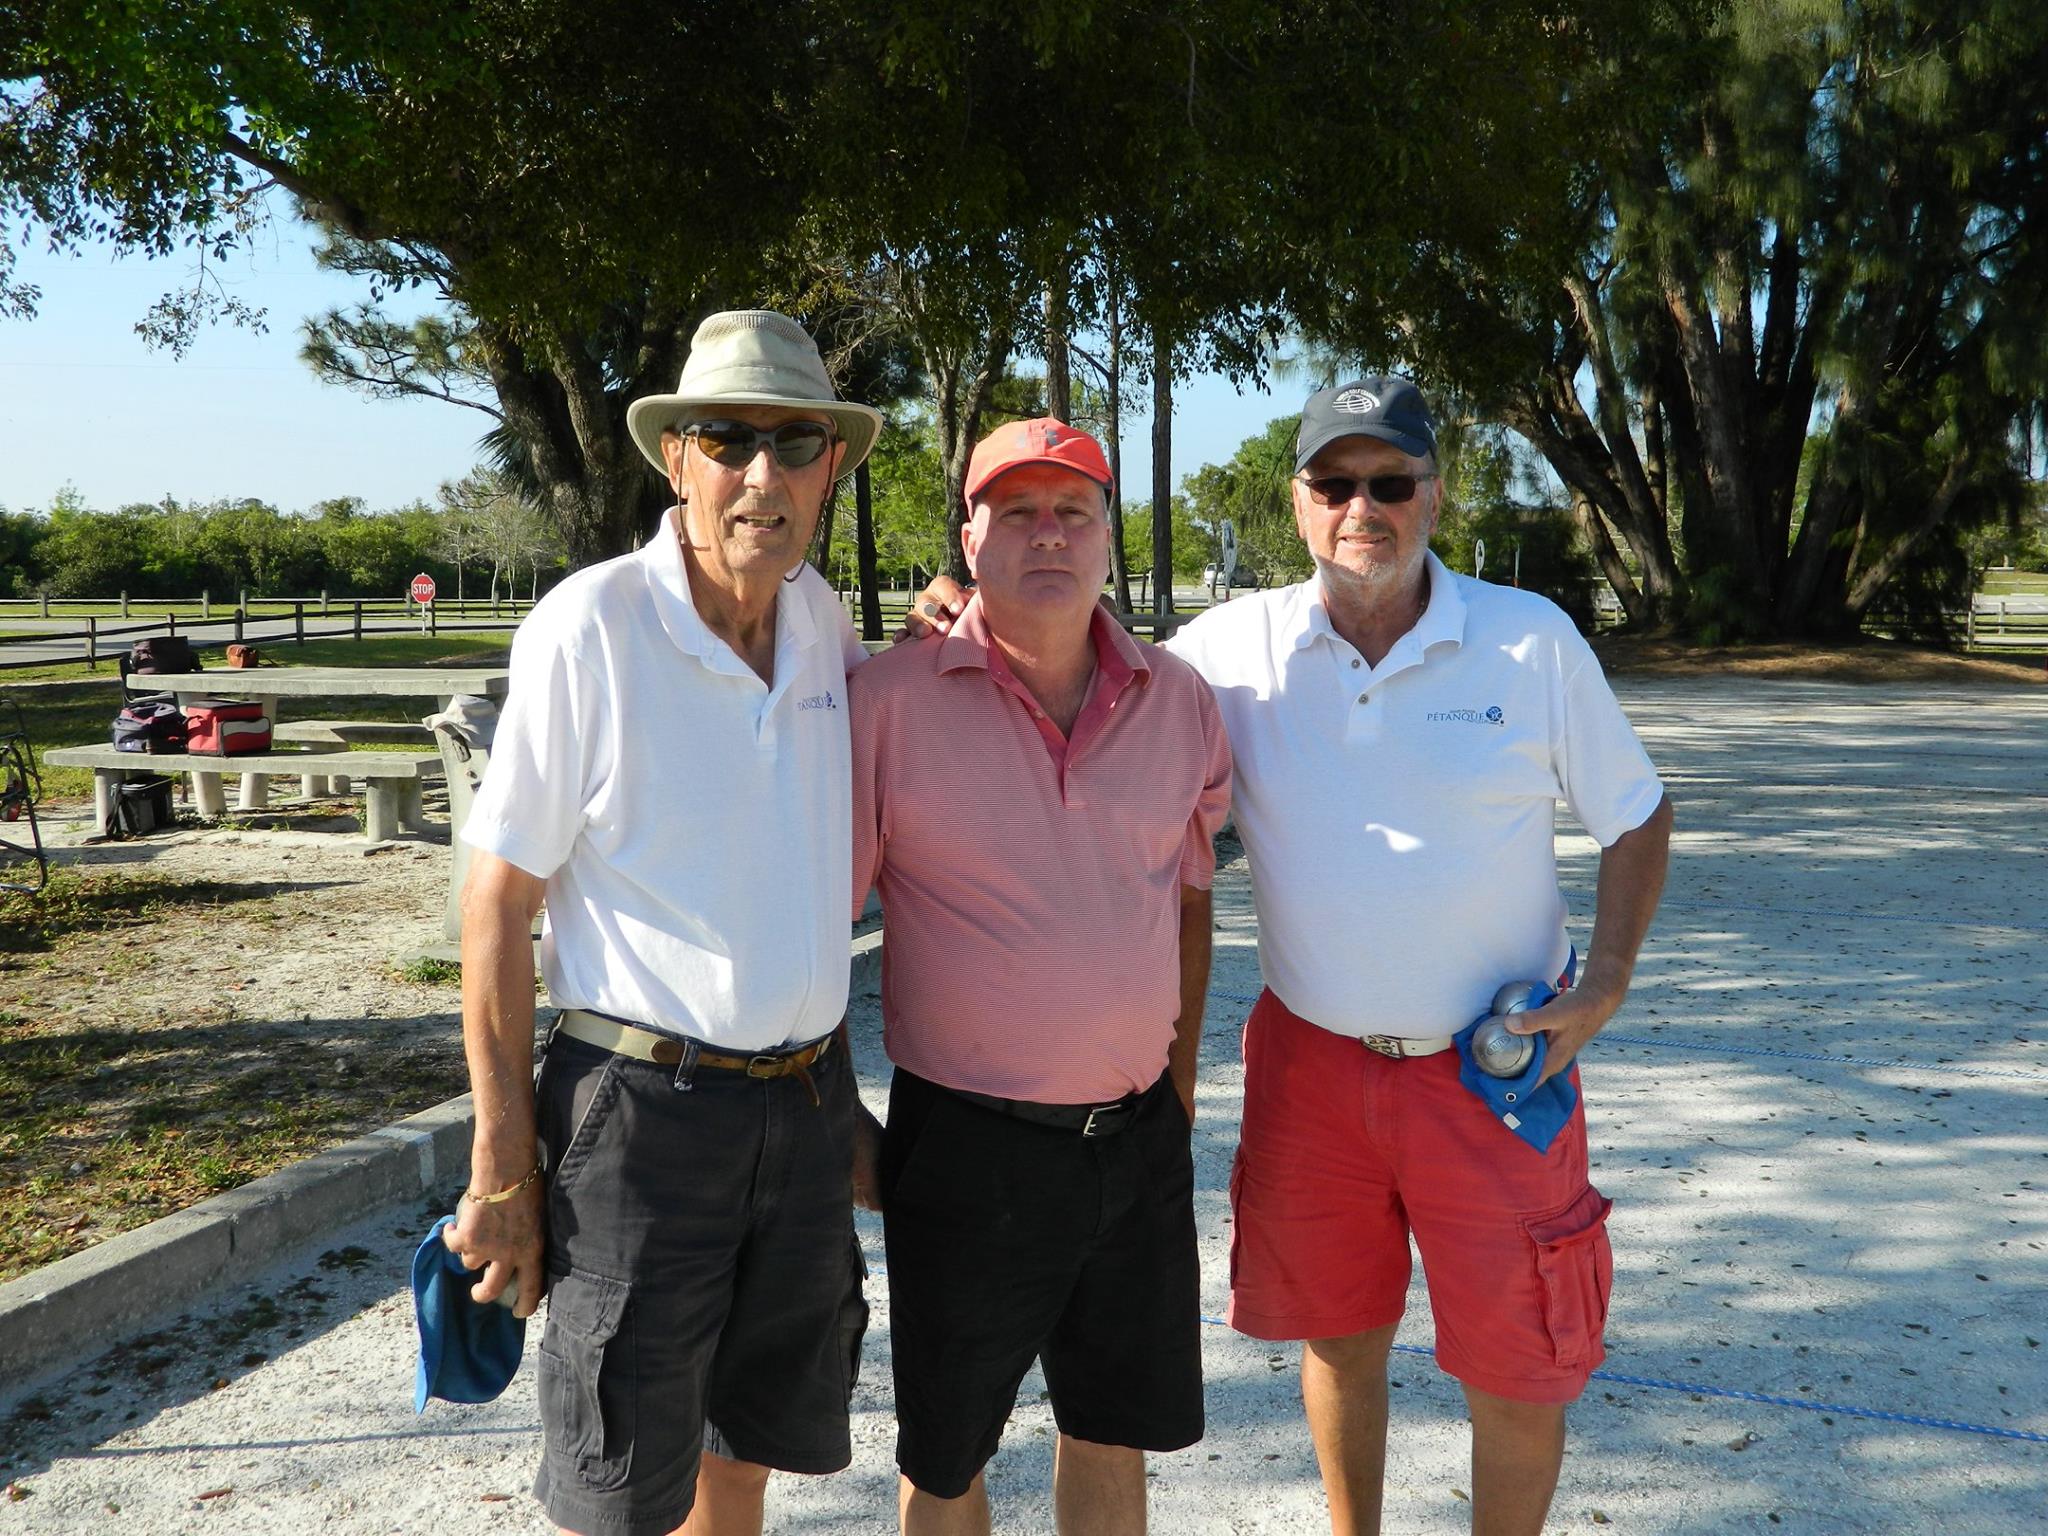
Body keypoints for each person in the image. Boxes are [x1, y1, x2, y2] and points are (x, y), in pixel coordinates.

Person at [906, 376, 1672, 1536]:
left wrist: (1605, 980)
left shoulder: (1530, 641)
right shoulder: (1230, 649)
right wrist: (969, 614)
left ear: (1433, 495)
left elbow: (1635, 813)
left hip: (1494, 1071)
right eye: (1333, 483)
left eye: (1389, 483)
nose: (1362, 508)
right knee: (1339, 1336)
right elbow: (1087, 668)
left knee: (1519, 1365)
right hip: (1310, 1065)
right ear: (1298, 501)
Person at [441, 309, 884, 1536]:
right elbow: (496, 904)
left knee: (744, 1453)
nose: (762, 474)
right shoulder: (591, 625)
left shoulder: (822, 625)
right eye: (727, 439)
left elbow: (802, 872)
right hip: (642, 1117)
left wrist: (840, 1105)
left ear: (829, 469)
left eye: (795, 443)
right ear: (676, 458)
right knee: (623, 1485)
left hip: (802, 1106)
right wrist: (502, 1162)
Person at [851, 418, 1232, 1536]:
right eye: (1015, 511)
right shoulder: (887, 702)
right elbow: (815, 930)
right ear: (970, 539)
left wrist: (1176, 1089)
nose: (1049, 533)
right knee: (947, 1455)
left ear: (1109, 536)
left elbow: (1189, 897)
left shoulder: (1179, 698)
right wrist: (834, 1114)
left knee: (1112, 1433)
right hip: (967, 1147)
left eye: (1073, 510)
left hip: (1136, 1139)